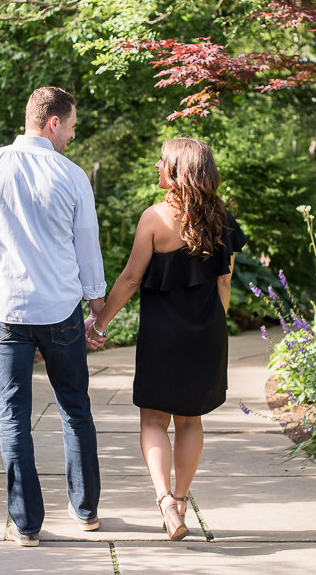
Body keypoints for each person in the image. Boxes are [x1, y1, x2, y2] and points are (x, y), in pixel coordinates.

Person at [0, 87, 106, 547]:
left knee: (13, 416)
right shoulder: (72, 175)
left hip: (6, 310)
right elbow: (87, 246)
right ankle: (87, 511)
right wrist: (97, 303)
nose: (73, 135)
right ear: (52, 123)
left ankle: (27, 525)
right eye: (72, 125)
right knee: (75, 408)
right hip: (61, 310)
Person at [86, 137, 245, 541]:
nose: (157, 166)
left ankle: (164, 503)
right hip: (207, 332)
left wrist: (100, 323)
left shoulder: (154, 218)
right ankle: (181, 498)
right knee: (190, 421)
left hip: (163, 338)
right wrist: (213, 325)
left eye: (162, 161)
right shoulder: (223, 219)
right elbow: (225, 282)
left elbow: (131, 279)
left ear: (177, 171)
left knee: (154, 418)